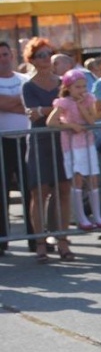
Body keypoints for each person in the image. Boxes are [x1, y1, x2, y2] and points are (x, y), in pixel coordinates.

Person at [22, 38, 75, 262]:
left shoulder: (62, 82)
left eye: (48, 53)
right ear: (32, 59)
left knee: (64, 189)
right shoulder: (28, 85)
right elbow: (32, 113)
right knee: (39, 192)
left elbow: (67, 108)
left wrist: (44, 111)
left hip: (61, 139)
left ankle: (63, 241)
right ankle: (40, 243)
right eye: (41, 55)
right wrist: (53, 109)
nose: (46, 58)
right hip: (39, 142)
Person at [46, 69, 101, 232]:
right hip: (72, 143)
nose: (82, 90)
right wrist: (70, 125)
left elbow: (92, 120)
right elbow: (51, 122)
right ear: (69, 88)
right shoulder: (64, 102)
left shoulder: (88, 99)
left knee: (93, 177)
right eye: (77, 87)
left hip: (87, 142)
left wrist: (82, 107)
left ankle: (97, 216)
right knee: (78, 178)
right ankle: (81, 217)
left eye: (84, 86)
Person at [0, 40, 34, 256]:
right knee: (2, 191)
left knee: (30, 189)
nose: (2, 59)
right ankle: (2, 239)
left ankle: (35, 237)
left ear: (11, 55)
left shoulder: (25, 80)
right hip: (3, 142)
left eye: (5, 54)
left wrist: (11, 103)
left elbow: (32, 105)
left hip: (27, 140)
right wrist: (18, 103)